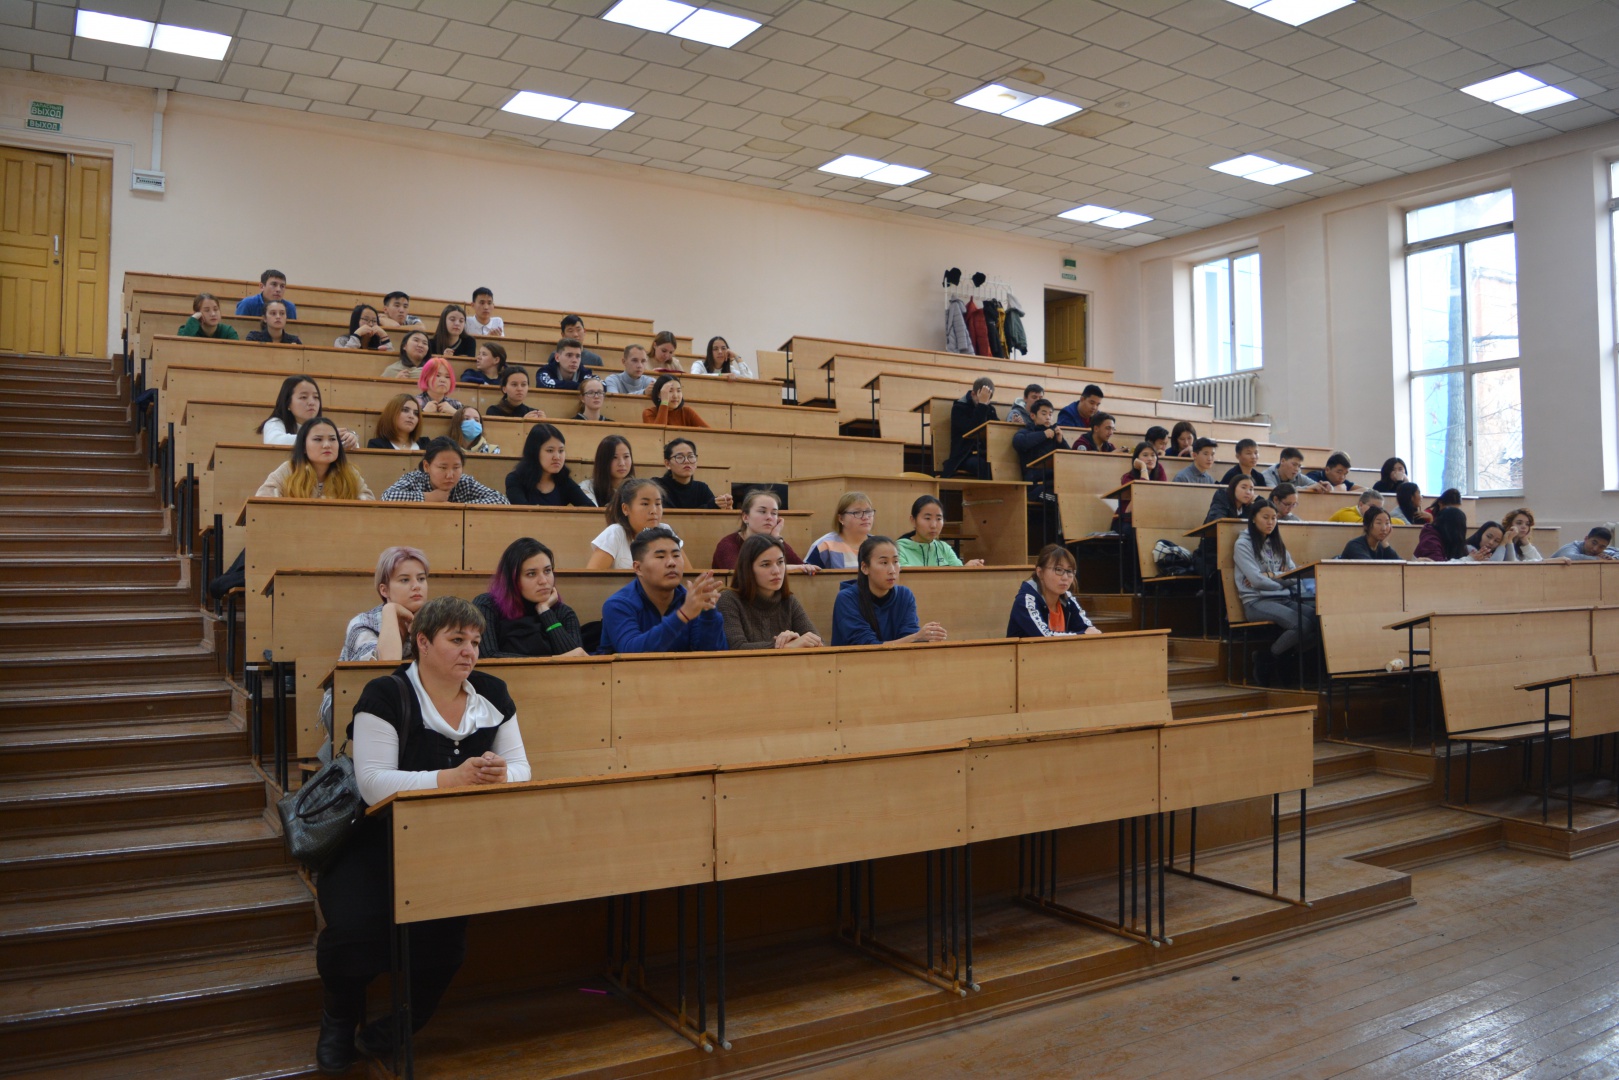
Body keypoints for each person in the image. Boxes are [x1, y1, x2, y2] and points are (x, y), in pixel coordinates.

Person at [313, 596, 528, 1074]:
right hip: (374, 841)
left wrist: (499, 773)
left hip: (448, 844)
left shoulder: (492, 692)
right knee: (353, 932)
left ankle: (403, 1024)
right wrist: (451, 778)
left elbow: (522, 768)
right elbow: (373, 784)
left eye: (475, 642)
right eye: (457, 640)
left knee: (446, 944)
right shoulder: (385, 694)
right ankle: (338, 1020)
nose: (470, 651)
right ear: (423, 643)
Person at [316, 546, 429, 762]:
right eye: (405, 580)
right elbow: (387, 668)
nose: (416, 586)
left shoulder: (431, 620)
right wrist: (390, 611)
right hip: (355, 705)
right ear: (384, 590)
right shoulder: (362, 624)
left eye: (421, 578)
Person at [596, 525, 726, 654]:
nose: (671, 563)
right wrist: (682, 615)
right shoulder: (618, 604)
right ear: (638, 568)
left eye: (676, 555)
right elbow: (631, 651)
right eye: (660, 557)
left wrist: (708, 613)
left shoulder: (690, 601)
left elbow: (713, 657)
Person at [1234, 499, 1318, 683]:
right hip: (1257, 601)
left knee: (1318, 621)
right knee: (1301, 625)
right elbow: (1257, 581)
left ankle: (1286, 655)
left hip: (1284, 598)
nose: (1270, 522)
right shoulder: (1243, 545)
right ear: (1253, 518)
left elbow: (1296, 574)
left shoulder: (1277, 543)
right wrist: (1282, 581)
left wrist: (1271, 575)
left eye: (1274, 518)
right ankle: (1267, 658)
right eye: (1265, 517)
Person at [472, 538, 587, 658]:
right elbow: (487, 656)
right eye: (531, 574)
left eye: (547, 571)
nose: (543, 581)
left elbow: (578, 659)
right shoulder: (487, 606)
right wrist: (551, 661)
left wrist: (545, 612)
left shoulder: (564, 613)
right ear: (512, 580)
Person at [831, 536, 947, 646]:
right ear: (865, 568)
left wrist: (919, 638)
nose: (892, 570)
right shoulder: (847, 599)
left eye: (895, 562)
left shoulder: (904, 595)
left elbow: (908, 636)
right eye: (884, 563)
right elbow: (866, 646)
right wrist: (916, 637)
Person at [716, 534, 822, 650]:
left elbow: (817, 643)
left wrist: (796, 642)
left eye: (780, 562)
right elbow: (736, 647)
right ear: (748, 569)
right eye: (766, 564)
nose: (776, 571)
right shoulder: (728, 599)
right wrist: (785, 646)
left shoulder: (789, 601)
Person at [254, 417, 374, 500]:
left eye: (332, 439)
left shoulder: (349, 472)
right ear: (303, 446)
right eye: (318, 439)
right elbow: (263, 502)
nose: (327, 445)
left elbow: (369, 505)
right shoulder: (289, 470)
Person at [1007, 544, 1099, 636]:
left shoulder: (1068, 599)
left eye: (1069, 571)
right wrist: (1083, 634)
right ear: (1040, 572)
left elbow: (1089, 629)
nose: (1065, 577)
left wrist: (1087, 632)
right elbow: (1044, 638)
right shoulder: (1025, 601)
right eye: (1058, 570)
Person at [710, 488, 811, 571]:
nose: (769, 517)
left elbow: (802, 567)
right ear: (745, 517)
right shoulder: (728, 544)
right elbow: (739, 573)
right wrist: (787, 568)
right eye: (762, 511)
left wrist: (776, 539)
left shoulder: (775, 539)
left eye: (774, 513)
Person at [381, 438, 508, 504]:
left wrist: (459, 507)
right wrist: (428, 497)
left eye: (456, 467)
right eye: (443, 467)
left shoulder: (465, 482)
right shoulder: (414, 479)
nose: (450, 475)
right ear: (426, 466)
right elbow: (387, 497)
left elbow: (502, 500)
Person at [587, 478, 671, 570]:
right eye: (645, 504)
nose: (654, 511)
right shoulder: (615, 533)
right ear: (625, 509)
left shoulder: (665, 531)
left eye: (658, 504)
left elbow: (683, 573)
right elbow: (591, 576)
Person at [257, 376, 357, 449]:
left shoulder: (323, 426)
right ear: (288, 403)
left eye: (316, 397)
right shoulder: (274, 422)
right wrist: (318, 437)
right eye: (303, 397)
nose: (312, 402)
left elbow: (351, 448)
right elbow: (273, 441)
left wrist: (350, 439)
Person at [505, 423, 592, 506]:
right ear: (534, 452)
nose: (557, 457)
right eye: (550, 450)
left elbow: (590, 510)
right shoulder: (515, 479)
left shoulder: (564, 481)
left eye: (561, 451)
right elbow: (522, 513)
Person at [897, 494, 983, 567]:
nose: (934, 525)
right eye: (927, 518)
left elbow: (958, 575)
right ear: (913, 520)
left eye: (938, 519)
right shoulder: (899, 549)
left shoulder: (944, 548)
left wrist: (967, 569)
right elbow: (909, 578)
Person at [941, 377, 997, 479]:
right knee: (984, 466)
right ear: (973, 394)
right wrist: (982, 405)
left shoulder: (989, 408)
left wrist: (984, 405)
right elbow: (971, 430)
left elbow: (996, 429)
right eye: (982, 398)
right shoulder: (959, 408)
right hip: (964, 455)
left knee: (1000, 465)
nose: (986, 402)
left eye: (988, 399)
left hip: (985, 454)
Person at [653, 437, 731, 510]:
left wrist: (723, 505)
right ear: (667, 464)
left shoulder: (702, 488)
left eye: (691, 456)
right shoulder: (657, 486)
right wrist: (712, 506)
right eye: (680, 457)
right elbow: (672, 516)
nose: (687, 461)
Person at [806, 491, 874, 569]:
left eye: (868, 512)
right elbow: (807, 573)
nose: (865, 517)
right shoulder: (825, 545)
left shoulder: (879, 545)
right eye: (857, 512)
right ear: (841, 518)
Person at [1012, 399, 1067, 485]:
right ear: (1033, 416)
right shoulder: (1027, 431)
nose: (1048, 417)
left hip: (1055, 476)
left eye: (1050, 414)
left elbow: (1068, 459)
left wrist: (1061, 441)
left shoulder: (1055, 433)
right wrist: (1043, 434)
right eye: (1044, 414)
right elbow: (1019, 443)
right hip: (1035, 480)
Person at [1115, 441, 1162, 529]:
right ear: (1136, 459)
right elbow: (1142, 493)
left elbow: (1163, 494)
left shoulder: (1159, 471)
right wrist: (1143, 467)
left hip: (1149, 519)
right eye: (1145, 455)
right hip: (1127, 521)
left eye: (1153, 455)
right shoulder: (1127, 477)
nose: (1150, 458)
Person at [580, 434, 633, 507]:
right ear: (603, 460)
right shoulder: (587, 487)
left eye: (626, 456)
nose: (622, 463)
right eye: (614, 457)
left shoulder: (637, 489)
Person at [643, 375, 709, 428]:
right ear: (659, 394)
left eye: (678, 391)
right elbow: (659, 435)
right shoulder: (649, 412)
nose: (675, 396)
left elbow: (708, 433)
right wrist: (664, 402)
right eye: (670, 391)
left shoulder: (687, 412)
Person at [691, 335, 755, 379]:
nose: (720, 352)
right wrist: (721, 375)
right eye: (715, 349)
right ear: (710, 352)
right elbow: (694, 377)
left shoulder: (730, 370)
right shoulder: (699, 365)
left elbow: (748, 377)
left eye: (723, 348)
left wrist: (736, 356)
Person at [1552, 527, 1618, 561]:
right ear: (1586, 538)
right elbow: (1569, 557)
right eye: (1594, 543)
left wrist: (1614, 559)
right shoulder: (1571, 547)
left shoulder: (1602, 552)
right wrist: (1597, 559)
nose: (1595, 549)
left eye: (1602, 547)